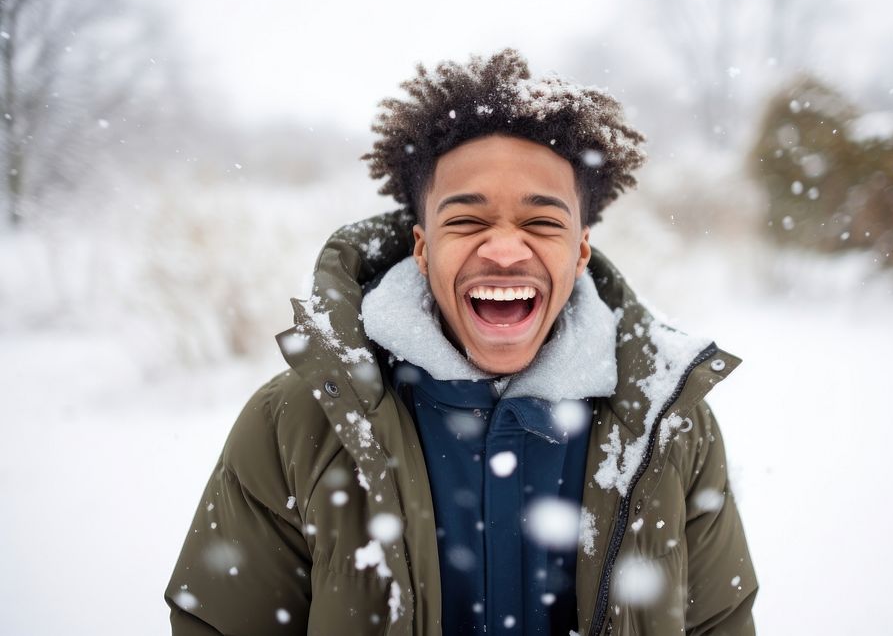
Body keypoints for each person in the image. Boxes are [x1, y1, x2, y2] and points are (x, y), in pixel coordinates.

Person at [165, 49, 756, 635]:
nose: (503, 250)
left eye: (542, 222)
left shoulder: (668, 425)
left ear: (580, 252)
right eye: (468, 221)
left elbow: (718, 623)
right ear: (423, 249)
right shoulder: (297, 422)